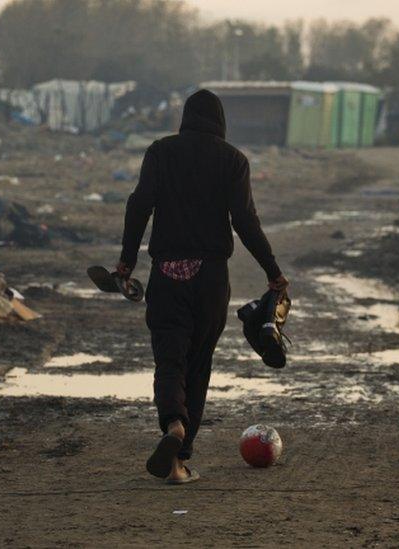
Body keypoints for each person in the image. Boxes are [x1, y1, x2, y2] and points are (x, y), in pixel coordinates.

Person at [116, 89, 288, 484]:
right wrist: (272, 271)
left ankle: (173, 425)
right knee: (198, 364)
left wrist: (126, 260)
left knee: (170, 359)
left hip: (167, 272)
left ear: (185, 118)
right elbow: (245, 221)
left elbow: (139, 204)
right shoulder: (233, 160)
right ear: (221, 122)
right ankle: (180, 460)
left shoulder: (160, 151)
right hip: (210, 278)